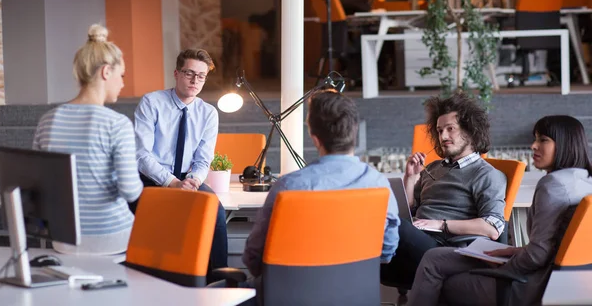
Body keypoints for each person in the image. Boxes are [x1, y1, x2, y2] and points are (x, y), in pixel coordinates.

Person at [408, 115, 592, 306]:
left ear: (566, 144)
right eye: (535, 139)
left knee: (444, 280)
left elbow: (538, 255)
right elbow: (557, 246)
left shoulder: (553, 185)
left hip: (532, 285)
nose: (534, 146)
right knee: (434, 257)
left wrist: (501, 267)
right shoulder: (584, 182)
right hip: (572, 284)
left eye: (543, 140)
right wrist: (515, 250)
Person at [242, 90, 400, 297]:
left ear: (315, 138)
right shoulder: (379, 185)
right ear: (354, 131)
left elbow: (254, 256)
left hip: (290, 295)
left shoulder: (289, 187)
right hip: (356, 295)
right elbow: (387, 251)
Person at [33, 24, 143, 255]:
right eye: (121, 75)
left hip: (64, 239)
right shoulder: (117, 123)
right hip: (113, 237)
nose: (123, 83)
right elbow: (130, 191)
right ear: (106, 72)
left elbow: (38, 185)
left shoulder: (48, 120)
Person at [381, 91, 507, 287]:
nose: (443, 136)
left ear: (470, 130)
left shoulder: (487, 174)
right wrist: (410, 178)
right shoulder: (433, 168)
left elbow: (492, 228)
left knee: (392, 225)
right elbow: (410, 210)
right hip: (418, 241)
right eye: (439, 131)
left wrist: (441, 224)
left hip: (448, 247)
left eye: (450, 129)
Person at [134, 48, 227, 274]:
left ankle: (218, 280)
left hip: (188, 180)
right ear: (176, 73)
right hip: (151, 178)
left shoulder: (208, 113)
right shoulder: (152, 103)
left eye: (201, 76)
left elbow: (204, 159)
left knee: (215, 212)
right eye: (189, 73)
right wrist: (173, 183)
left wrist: (194, 181)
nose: (195, 80)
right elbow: (141, 155)